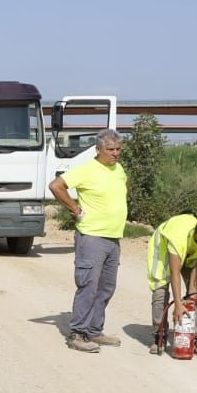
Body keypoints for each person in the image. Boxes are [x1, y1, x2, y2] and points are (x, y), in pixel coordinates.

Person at [49, 129, 128, 352]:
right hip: (92, 236)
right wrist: (74, 208)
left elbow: (122, 186)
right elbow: (56, 185)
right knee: (89, 286)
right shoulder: (86, 169)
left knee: (106, 288)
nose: (115, 154)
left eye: (118, 149)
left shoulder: (118, 169)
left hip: (113, 237)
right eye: (110, 150)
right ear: (98, 150)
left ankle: (94, 331)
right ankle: (78, 334)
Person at [146, 213, 197, 356]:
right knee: (160, 289)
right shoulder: (178, 235)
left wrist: (190, 300)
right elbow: (174, 272)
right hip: (165, 247)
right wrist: (178, 304)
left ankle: (195, 338)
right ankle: (159, 336)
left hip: (191, 252)